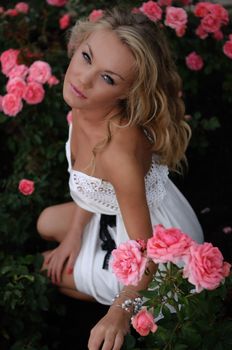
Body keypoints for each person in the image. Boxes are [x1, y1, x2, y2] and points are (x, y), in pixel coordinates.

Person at [37, 7, 204, 350]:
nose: (83, 79)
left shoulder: (118, 155)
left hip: (154, 248)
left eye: (108, 78)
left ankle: (95, 282)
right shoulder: (84, 104)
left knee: (46, 271)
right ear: (79, 44)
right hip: (115, 213)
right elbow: (93, 188)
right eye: (87, 57)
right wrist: (72, 235)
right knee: (46, 224)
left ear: (127, 93)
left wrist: (119, 312)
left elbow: (148, 253)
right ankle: (83, 253)